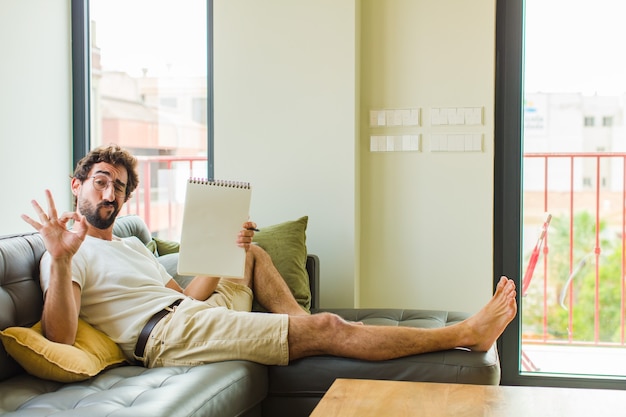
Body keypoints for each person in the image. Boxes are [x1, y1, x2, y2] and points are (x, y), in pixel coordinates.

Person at [22, 144, 517, 368]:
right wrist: (63, 259)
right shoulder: (63, 252)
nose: (110, 194)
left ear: (126, 200)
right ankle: (465, 335)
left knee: (253, 254)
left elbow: (183, 295)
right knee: (329, 329)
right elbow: (60, 336)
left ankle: (303, 326)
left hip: (189, 313)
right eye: (101, 182)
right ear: (78, 186)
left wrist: (223, 253)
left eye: (119, 188)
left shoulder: (130, 243)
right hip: (166, 337)